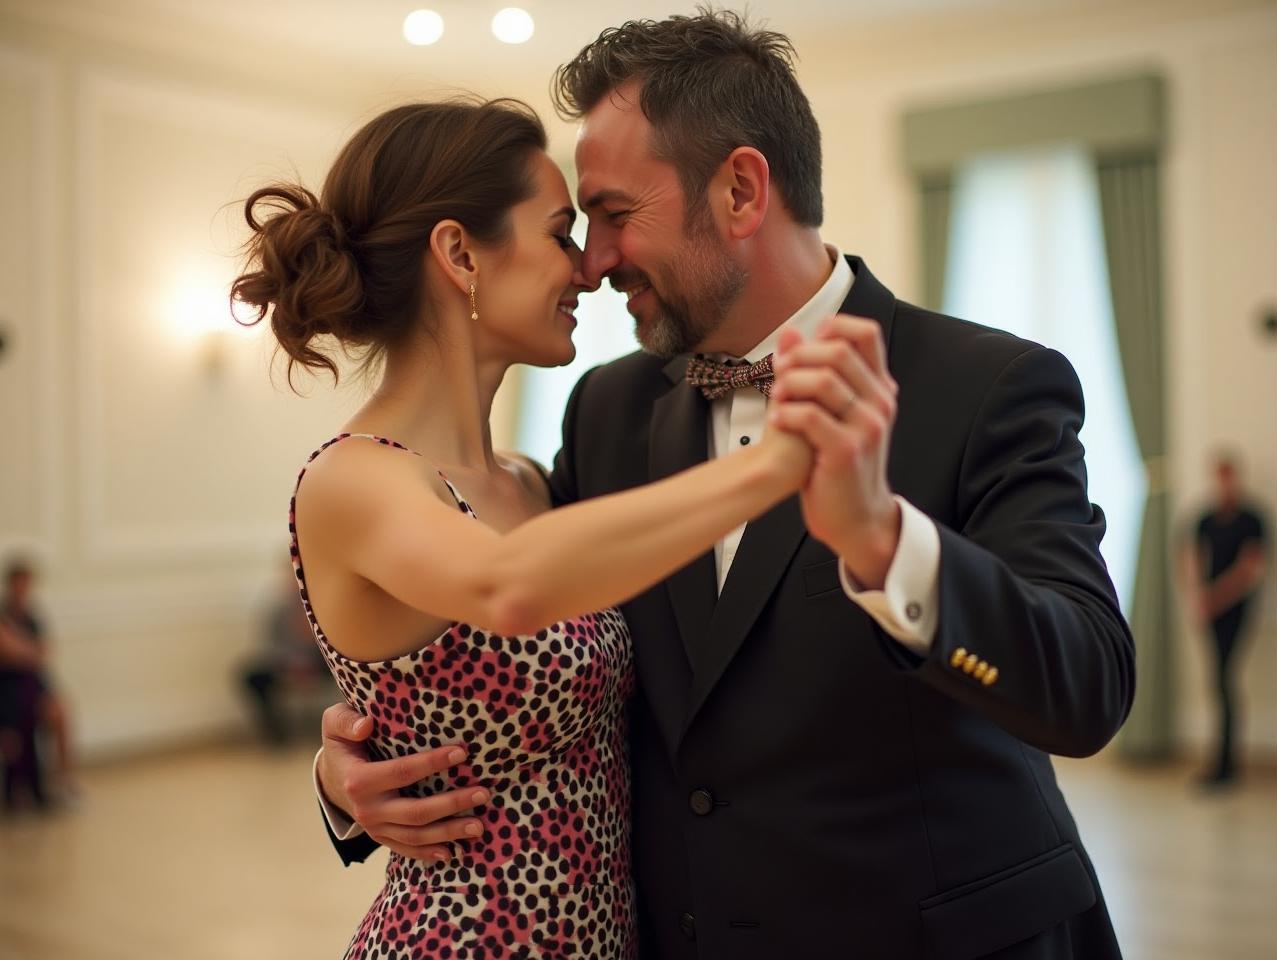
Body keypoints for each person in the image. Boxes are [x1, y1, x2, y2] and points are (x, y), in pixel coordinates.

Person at [315, 11, 1136, 960]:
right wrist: (349, 772)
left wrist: (882, 541)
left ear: (741, 189)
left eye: (618, 214)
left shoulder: (987, 385)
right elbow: (525, 654)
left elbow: (1088, 689)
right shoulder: (608, 411)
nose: (596, 260)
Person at [232, 97, 830, 959]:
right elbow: (508, 588)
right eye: (559, 232)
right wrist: (776, 466)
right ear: (459, 254)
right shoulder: (352, 478)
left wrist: (339, 770)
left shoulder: (531, 481)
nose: (588, 268)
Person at [1181, 453, 1269, 788]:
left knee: (1225, 680)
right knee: (1218, 682)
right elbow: (1190, 558)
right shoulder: (1205, 519)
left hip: (1235, 610)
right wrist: (1196, 597)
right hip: (1211, 610)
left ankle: (1226, 765)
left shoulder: (1252, 519)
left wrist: (1213, 598)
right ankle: (1221, 763)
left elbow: (1250, 570)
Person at [0, 558, 78, 811]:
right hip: (7, 690)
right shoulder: (4, 615)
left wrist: (22, 650)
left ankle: (62, 782)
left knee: (60, 710)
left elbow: (42, 653)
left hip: (32, 684)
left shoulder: (32, 616)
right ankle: (18, 792)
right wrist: (27, 651)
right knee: (12, 732)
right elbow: (10, 651)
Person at [236, 561, 330, 746]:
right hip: (288, 665)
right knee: (252, 675)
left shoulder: (324, 608)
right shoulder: (279, 611)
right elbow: (272, 647)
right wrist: (293, 665)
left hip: (322, 664)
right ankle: (275, 732)